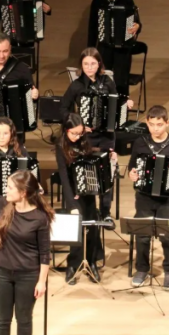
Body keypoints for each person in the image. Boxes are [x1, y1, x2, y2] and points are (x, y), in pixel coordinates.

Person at [0, 170, 51, 335]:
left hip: (28, 275)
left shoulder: (39, 217)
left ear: (23, 193)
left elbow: (45, 253)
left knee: (24, 320)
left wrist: (42, 281)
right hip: (1, 273)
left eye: (10, 187)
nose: (6, 191)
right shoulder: (3, 206)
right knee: (2, 319)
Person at [60, 47, 132, 215]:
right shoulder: (76, 86)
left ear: (99, 64)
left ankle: (105, 212)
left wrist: (125, 103)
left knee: (107, 172)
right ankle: (89, 210)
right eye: (86, 64)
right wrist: (77, 124)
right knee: (89, 171)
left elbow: (116, 102)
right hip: (87, 137)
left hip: (107, 135)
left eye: (93, 63)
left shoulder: (107, 82)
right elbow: (63, 108)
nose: (89, 67)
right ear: (81, 65)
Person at [127, 105, 169, 290]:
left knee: (168, 235)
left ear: (167, 123)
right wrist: (133, 175)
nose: (155, 128)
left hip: (168, 199)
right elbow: (132, 167)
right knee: (142, 235)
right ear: (147, 122)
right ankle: (142, 269)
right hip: (144, 197)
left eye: (160, 125)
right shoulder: (140, 142)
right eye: (152, 124)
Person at [56, 113, 116, 284]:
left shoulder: (84, 141)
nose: (77, 136)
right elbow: (64, 178)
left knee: (92, 229)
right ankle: (73, 265)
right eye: (73, 133)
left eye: (80, 133)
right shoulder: (61, 146)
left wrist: (109, 156)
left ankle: (91, 262)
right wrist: (72, 203)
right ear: (66, 131)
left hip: (87, 193)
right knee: (75, 231)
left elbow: (92, 160)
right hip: (72, 195)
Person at [87, 0, 141, 97]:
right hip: (104, 47)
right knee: (103, 79)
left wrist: (137, 27)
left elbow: (136, 22)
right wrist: (90, 51)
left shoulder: (127, 1)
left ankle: (121, 110)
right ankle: (104, 108)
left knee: (121, 80)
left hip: (123, 48)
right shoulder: (98, 2)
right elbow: (92, 27)